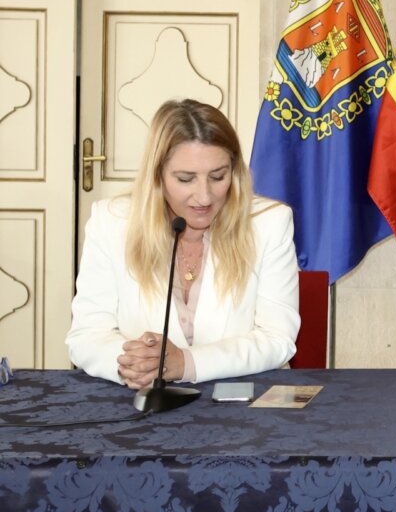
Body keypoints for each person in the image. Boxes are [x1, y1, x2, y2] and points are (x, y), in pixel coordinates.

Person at [67, 99, 300, 388]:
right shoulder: (111, 222)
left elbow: (277, 339)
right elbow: (87, 336)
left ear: (235, 171)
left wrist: (185, 364)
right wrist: (139, 364)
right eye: (186, 179)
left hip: (242, 401)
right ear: (158, 175)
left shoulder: (269, 223)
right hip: (141, 400)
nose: (204, 197)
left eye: (218, 176)